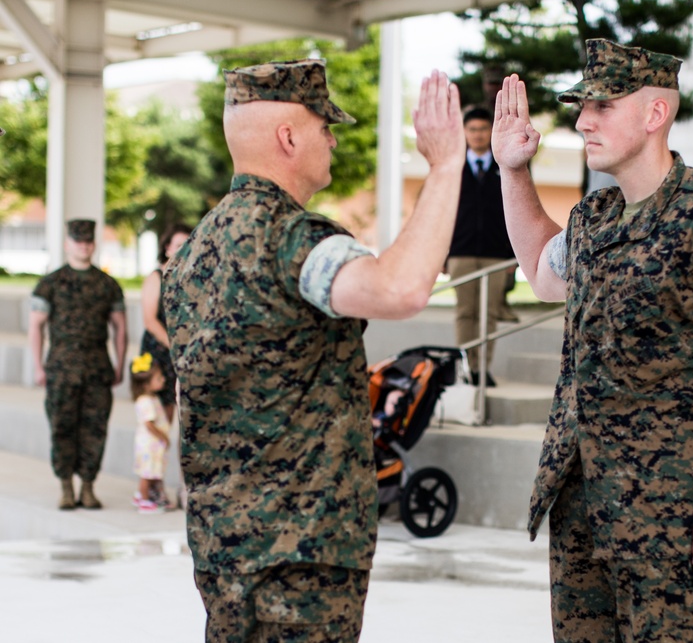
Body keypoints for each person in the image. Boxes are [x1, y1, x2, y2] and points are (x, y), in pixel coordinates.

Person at [491, 39, 693, 642]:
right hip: (584, 507)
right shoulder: (595, 219)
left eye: (603, 105)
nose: (584, 120)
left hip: (671, 520)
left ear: (655, 114)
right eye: (583, 105)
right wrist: (512, 170)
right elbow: (540, 272)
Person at [162, 59, 465, 643]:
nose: (332, 137)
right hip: (300, 558)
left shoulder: (193, 253)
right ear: (288, 138)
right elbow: (397, 289)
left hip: (225, 552)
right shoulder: (292, 237)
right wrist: (446, 165)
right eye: (324, 124)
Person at [28, 218, 128, 510]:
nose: (83, 245)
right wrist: (37, 365)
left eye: (87, 241)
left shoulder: (107, 284)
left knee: (95, 427)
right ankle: (65, 487)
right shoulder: (50, 283)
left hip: (97, 366)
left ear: (93, 244)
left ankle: (87, 486)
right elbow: (36, 327)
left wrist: (120, 363)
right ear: (67, 243)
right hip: (61, 366)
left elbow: (120, 328)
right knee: (62, 426)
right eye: (77, 240)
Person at [446, 106, 517, 387]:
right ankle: (468, 366)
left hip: (496, 254)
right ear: (464, 133)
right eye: (472, 129)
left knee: (489, 316)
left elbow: (516, 210)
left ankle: (482, 368)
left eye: (482, 129)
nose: (477, 135)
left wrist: (514, 256)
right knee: (466, 313)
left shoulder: (505, 165)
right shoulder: (452, 167)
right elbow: (442, 212)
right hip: (460, 252)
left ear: (490, 132)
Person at [139, 224, 191, 423]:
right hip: (159, 355)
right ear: (167, 248)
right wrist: (177, 349)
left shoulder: (192, 279)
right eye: (178, 245)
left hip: (183, 356)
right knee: (158, 421)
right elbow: (150, 321)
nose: (183, 250)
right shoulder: (156, 278)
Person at [129, 352, 172, 514]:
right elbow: (149, 424)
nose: (163, 380)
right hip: (150, 444)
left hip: (154, 445)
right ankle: (144, 499)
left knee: (153, 471)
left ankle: (150, 496)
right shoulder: (145, 401)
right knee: (146, 474)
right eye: (159, 378)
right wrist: (163, 436)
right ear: (146, 384)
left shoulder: (152, 398)